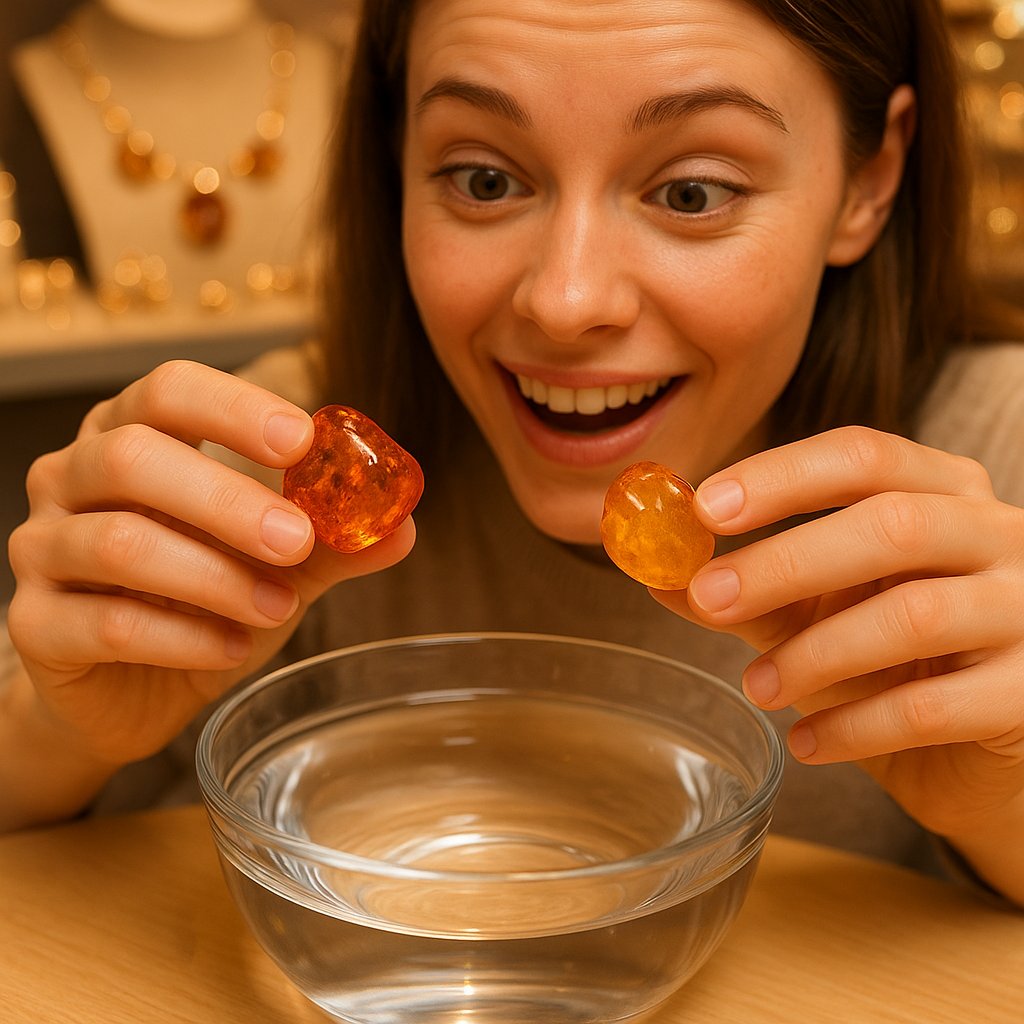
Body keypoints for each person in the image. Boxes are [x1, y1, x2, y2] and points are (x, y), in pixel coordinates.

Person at [3, 0, 1024, 908]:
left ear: (867, 180)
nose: (565, 299)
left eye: (692, 194)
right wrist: (59, 730)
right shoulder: (283, 462)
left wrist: (1006, 807)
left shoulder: (999, 459)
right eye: (484, 178)